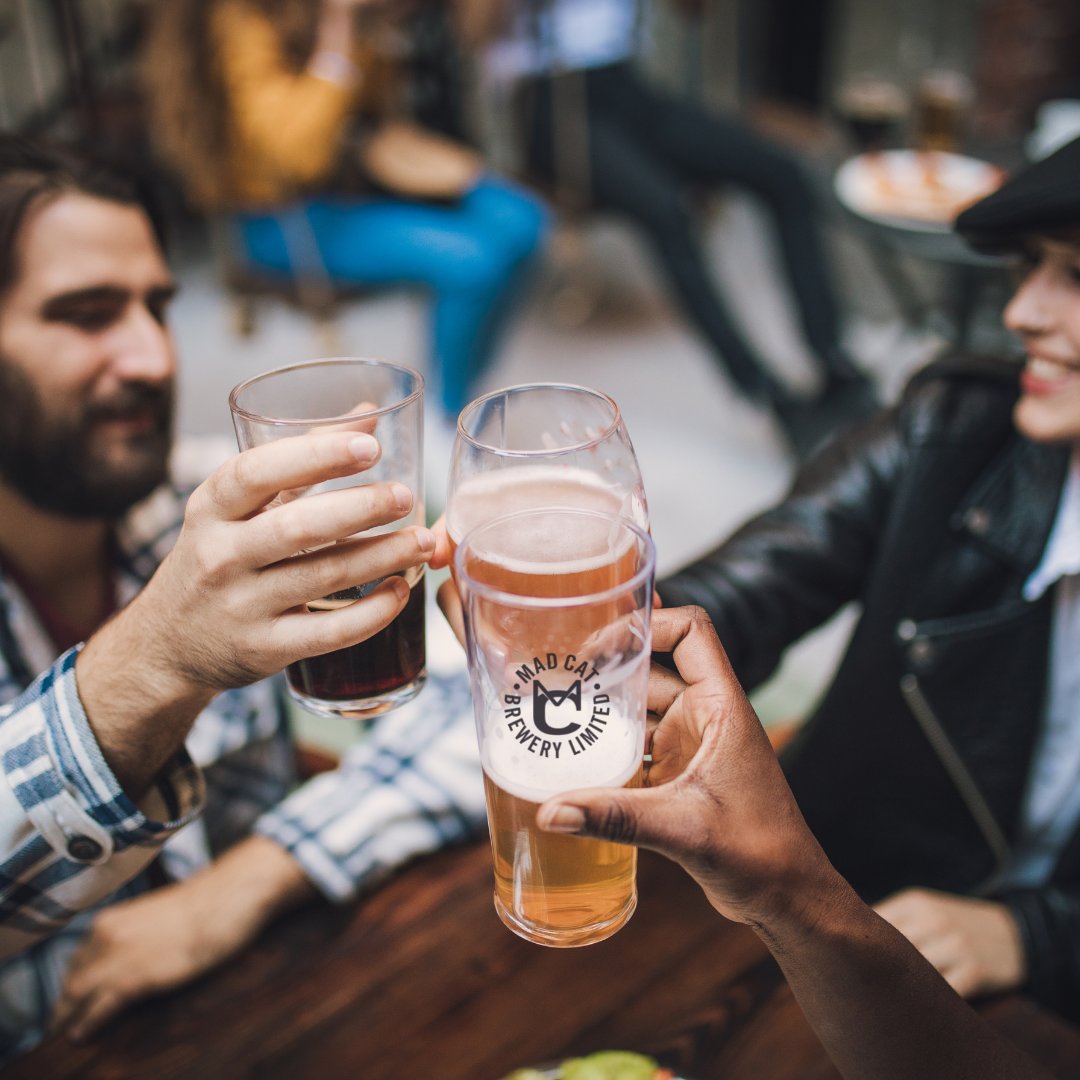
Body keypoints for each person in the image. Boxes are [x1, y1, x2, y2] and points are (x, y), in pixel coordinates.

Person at [0, 135, 484, 1059]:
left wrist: (262, 872)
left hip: (269, 1011)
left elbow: (485, 701)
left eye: (157, 306)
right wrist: (154, 659)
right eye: (87, 314)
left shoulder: (205, 514)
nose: (150, 356)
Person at [655, 134, 1080, 1022]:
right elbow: (740, 595)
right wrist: (579, 622)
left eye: (1077, 276)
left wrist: (1033, 937)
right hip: (838, 917)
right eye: (1031, 266)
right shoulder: (951, 424)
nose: (1024, 312)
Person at [536, 605, 1052, 1080]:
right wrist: (591, 645)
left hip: (1029, 1002)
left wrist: (1038, 933)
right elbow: (793, 557)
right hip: (817, 892)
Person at [467, 0, 875, 438]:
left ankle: (832, 358)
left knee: (784, 175)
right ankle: (765, 393)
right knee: (669, 211)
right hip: (550, 105)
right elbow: (473, 32)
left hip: (625, 86)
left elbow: (691, 12)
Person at [141, 0, 549, 420]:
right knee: (471, 264)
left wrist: (381, 25)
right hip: (280, 221)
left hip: (361, 186)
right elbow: (301, 155)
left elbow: (373, 115)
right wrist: (340, 25)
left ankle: (454, 382)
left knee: (523, 219)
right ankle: (447, 413)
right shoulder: (243, 18)